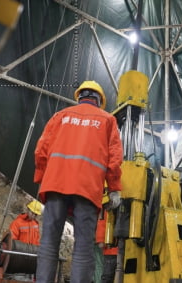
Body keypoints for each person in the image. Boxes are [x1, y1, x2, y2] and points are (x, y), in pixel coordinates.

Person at [34, 80, 123, 283]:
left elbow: (41, 151)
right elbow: (115, 158)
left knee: (48, 243)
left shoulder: (60, 116)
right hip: (87, 189)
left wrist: (42, 179)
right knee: (83, 248)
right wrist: (115, 189)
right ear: (99, 99)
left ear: (80, 96)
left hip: (55, 185)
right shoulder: (108, 120)